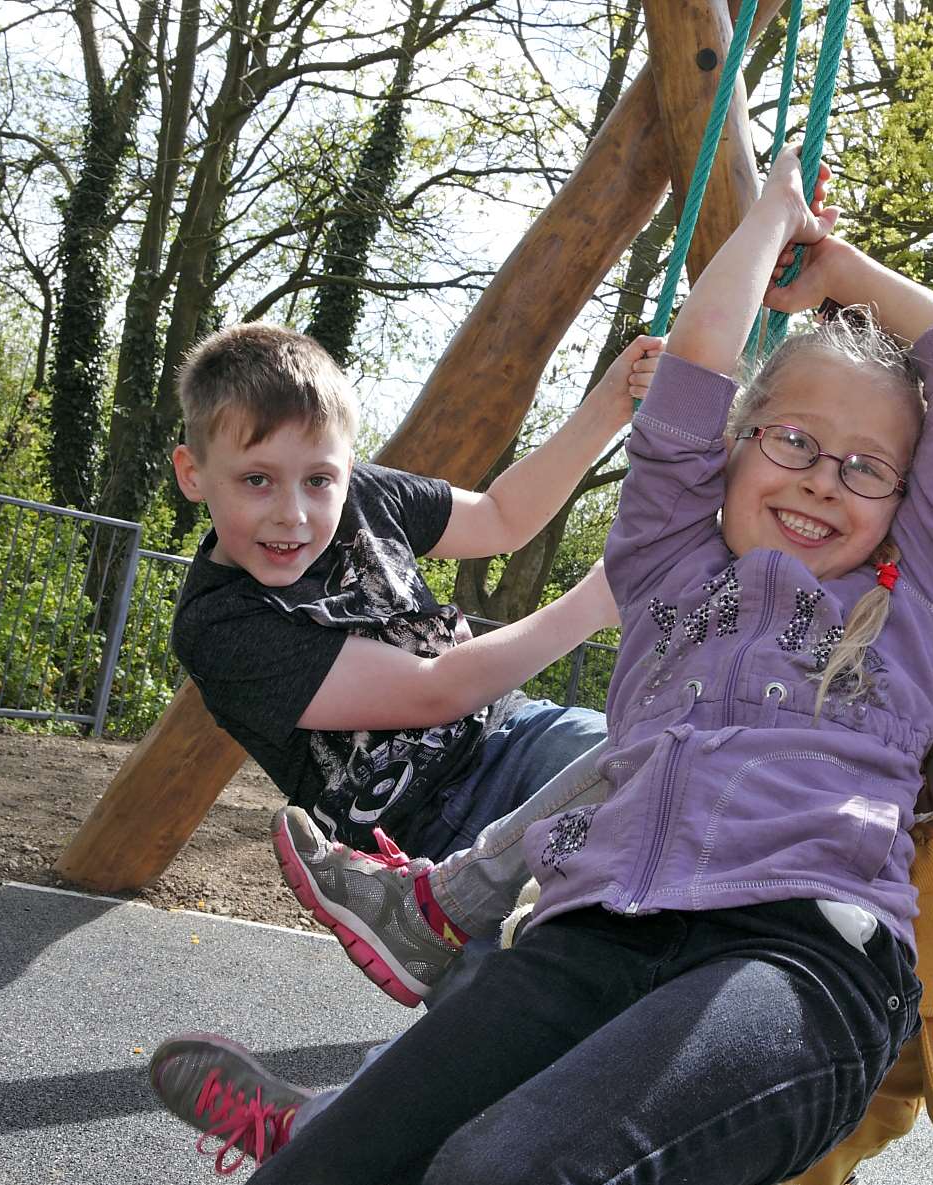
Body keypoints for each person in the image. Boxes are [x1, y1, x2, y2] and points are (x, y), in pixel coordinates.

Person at [150, 145, 933, 1184]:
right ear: (729, 447)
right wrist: (767, 215)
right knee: (338, 1166)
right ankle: (412, 965)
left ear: (901, 503)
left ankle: (440, 907)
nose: (825, 480)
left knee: (498, 1171)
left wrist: (841, 274)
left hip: (798, 947)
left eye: (868, 467)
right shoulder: (665, 557)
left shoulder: (906, 598)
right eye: (792, 441)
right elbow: (700, 364)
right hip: (599, 931)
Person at [150, 535, 933, 1183]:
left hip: (775, 1121)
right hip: (692, 1005)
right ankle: (337, 1118)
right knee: (522, 986)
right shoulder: (917, 784)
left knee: (508, 1102)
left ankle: (343, 1105)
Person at [166, 322, 660, 1001]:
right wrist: (593, 601)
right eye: (257, 480)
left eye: (319, 479)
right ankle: (429, 928)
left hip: (512, 735)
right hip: (423, 833)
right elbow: (433, 692)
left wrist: (609, 405)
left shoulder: (366, 497)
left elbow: (502, 516)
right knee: (516, 1031)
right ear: (193, 474)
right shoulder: (221, 623)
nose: (294, 513)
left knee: (660, 759)